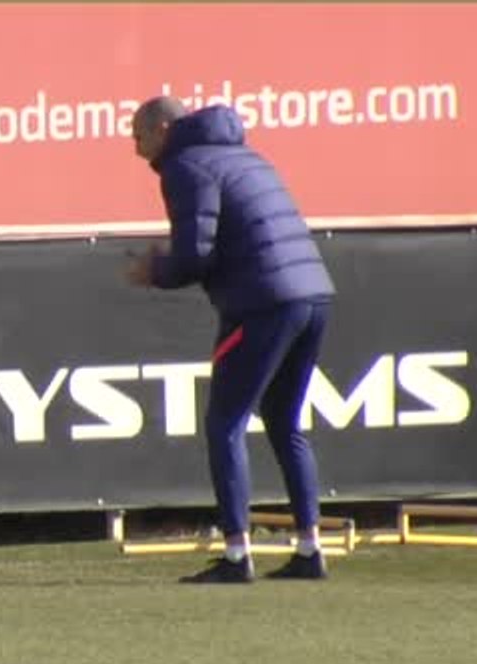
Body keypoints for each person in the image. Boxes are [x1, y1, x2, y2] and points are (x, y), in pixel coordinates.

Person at [125, 97, 336, 583]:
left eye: (138, 134)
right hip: (312, 294)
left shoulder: (185, 165)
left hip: (261, 302)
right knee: (284, 421)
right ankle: (310, 548)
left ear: (162, 127)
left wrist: (154, 270)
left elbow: (194, 255)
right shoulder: (247, 155)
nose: (134, 145)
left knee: (225, 423)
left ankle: (238, 554)